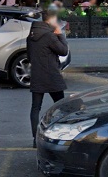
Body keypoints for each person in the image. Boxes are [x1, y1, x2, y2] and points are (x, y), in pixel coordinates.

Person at [27, 9, 69, 148]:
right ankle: (62, 136)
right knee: (62, 106)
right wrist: (60, 34)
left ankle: (35, 139)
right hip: (51, 75)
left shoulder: (31, 35)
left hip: (37, 75)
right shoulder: (49, 36)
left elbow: (29, 57)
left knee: (35, 108)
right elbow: (63, 51)